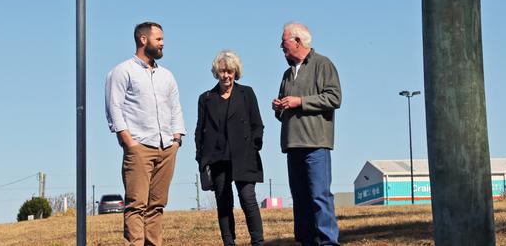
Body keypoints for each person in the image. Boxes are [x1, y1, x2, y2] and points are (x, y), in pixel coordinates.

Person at [105, 22, 186, 246]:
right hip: (139, 146)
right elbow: (114, 107)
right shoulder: (122, 71)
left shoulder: (167, 76)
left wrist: (177, 139)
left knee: (157, 206)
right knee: (136, 205)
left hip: (167, 147)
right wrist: (128, 141)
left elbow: (175, 107)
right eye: (158, 39)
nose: (163, 43)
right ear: (143, 40)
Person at [272, 22, 342, 246]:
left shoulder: (323, 64)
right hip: (293, 144)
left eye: (283, 42)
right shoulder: (287, 73)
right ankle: (306, 241)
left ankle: (328, 242)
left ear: (297, 41)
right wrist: (279, 107)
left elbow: (334, 98)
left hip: (316, 144)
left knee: (319, 196)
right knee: (300, 199)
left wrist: (300, 101)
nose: (281, 46)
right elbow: (285, 111)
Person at [195, 50, 265, 246]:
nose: (226, 75)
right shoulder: (206, 98)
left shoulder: (247, 93)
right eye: (222, 71)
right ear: (216, 72)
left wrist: (255, 145)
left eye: (230, 71)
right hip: (217, 157)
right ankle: (229, 242)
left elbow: (257, 124)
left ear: (236, 72)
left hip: (244, 155)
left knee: (248, 199)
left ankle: (258, 242)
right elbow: (199, 130)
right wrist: (201, 158)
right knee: (224, 203)